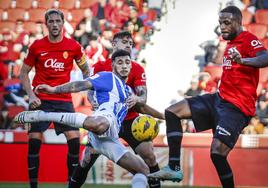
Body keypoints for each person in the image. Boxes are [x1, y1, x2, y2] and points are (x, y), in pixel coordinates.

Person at [148, 5, 268, 188]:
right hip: (219, 99)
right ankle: (173, 167)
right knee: (172, 112)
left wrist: (242, 60)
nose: (223, 27)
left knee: (217, 154)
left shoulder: (248, 39)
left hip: (237, 108)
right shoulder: (229, 44)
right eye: (221, 23)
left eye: (227, 22)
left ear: (238, 22)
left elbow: (265, 58)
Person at [14, 50, 149, 188]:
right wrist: (53, 90)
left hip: (110, 138)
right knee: (100, 124)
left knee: (143, 170)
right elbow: (79, 85)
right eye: (120, 62)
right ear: (112, 64)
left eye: (127, 62)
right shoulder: (107, 77)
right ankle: (42, 115)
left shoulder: (128, 91)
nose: (124, 66)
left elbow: (144, 108)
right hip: (103, 120)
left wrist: (164, 115)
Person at [71, 30, 162, 188]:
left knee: (150, 157)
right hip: (107, 119)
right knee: (86, 159)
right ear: (114, 44)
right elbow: (90, 92)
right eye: (125, 42)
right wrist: (94, 101)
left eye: (131, 43)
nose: (128, 45)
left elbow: (143, 97)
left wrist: (137, 98)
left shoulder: (137, 68)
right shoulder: (99, 66)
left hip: (130, 120)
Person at [19, 9, 90, 188]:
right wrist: (31, 95)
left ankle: (71, 184)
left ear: (63, 23)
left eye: (58, 21)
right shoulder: (36, 46)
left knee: (74, 141)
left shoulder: (73, 46)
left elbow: (86, 71)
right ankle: (33, 186)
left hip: (64, 101)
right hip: (40, 100)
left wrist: (85, 91)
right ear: (47, 24)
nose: (55, 24)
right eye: (51, 21)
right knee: (34, 141)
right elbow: (23, 73)